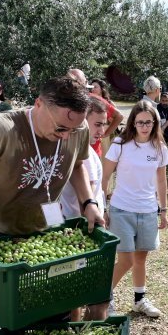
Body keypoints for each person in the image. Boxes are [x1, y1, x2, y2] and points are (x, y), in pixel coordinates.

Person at [0, 76, 104, 325]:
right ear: (39, 104)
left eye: (73, 130)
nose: (67, 137)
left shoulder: (77, 128)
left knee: (48, 319)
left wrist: (89, 203)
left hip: (46, 238)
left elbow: (77, 164)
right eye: (60, 129)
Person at [100, 100, 168, 318]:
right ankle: (104, 297)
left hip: (148, 210)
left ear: (155, 123)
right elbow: (104, 177)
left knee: (141, 259)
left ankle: (140, 300)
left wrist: (164, 210)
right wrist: (102, 206)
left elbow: (162, 180)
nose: (144, 126)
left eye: (148, 122)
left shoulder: (160, 148)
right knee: (126, 260)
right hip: (122, 210)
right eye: (140, 122)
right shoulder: (120, 144)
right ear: (133, 123)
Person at [58, 96, 109, 320]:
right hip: (83, 232)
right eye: (97, 124)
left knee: (74, 294)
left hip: (81, 229)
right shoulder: (84, 156)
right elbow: (84, 197)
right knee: (90, 297)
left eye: (104, 124)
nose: (102, 129)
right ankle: (81, 334)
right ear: (83, 122)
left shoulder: (86, 150)